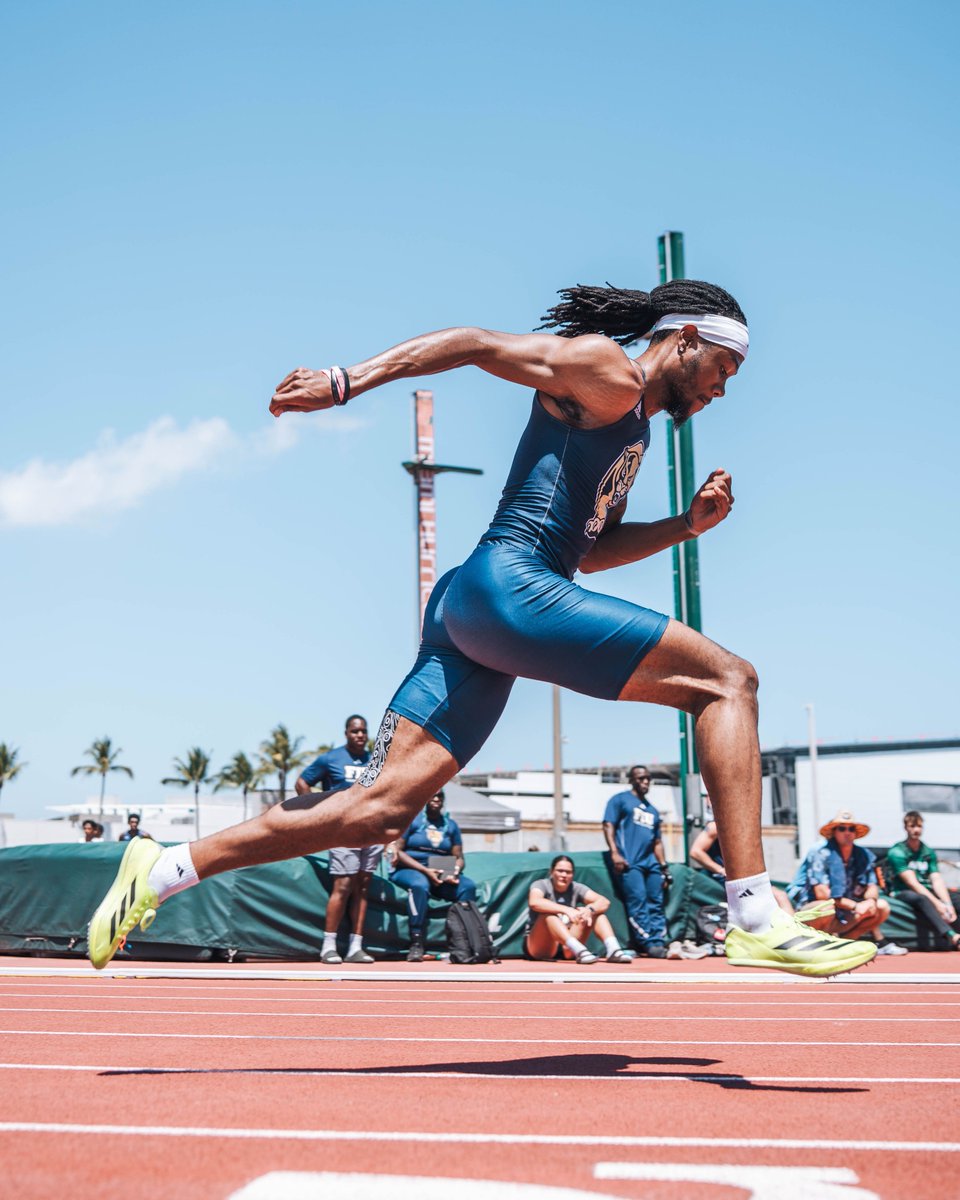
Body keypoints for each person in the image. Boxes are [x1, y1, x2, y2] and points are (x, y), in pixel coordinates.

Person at [88, 279, 876, 978]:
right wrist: (347, 380)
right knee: (728, 680)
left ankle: (163, 869)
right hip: (509, 589)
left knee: (378, 810)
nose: (722, 392)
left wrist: (684, 527)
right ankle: (753, 913)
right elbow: (474, 345)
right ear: (690, 340)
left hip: (477, 603)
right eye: (725, 371)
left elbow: (590, 555)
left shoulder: (628, 426)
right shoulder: (607, 369)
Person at [295, 715, 379, 964]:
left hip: (371, 830)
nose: (360, 735)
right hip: (343, 831)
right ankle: (328, 945)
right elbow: (302, 782)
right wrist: (316, 814)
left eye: (363, 731)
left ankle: (356, 946)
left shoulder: (375, 759)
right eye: (355, 731)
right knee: (342, 886)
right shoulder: (331, 758)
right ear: (346, 734)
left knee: (362, 888)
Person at [788, 810, 905, 954]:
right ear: (834, 832)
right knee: (826, 908)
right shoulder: (820, 852)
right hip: (813, 910)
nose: (847, 832)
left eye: (851, 828)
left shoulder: (863, 855)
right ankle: (819, 946)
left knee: (881, 907)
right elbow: (822, 895)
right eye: (842, 828)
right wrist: (856, 905)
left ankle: (842, 945)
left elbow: (872, 887)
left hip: (844, 911)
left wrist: (869, 902)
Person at [390, 790, 476, 962]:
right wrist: (425, 871)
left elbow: (459, 857)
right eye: (432, 795)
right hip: (412, 866)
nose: (436, 799)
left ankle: (464, 942)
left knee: (467, 886)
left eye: (440, 796)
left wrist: (454, 871)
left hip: (441, 868)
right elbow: (397, 851)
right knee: (420, 885)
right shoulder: (413, 819)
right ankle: (416, 942)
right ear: (425, 799)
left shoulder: (450, 825)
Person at [603, 765, 671, 957]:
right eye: (641, 778)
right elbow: (609, 825)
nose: (645, 782)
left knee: (656, 902)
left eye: (648, 778)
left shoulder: (653, 810)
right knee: (638, 901)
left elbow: (657, 841)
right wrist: (614, 853)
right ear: (632, 780)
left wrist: (664, 866)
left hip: (651, 863)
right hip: (630, 862)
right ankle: (648, 942)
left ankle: (659, 940)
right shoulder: (619, 800)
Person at [525, 854, 631, 963]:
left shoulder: (577, 888)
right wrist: (566, 910)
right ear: (551, 872)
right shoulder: (540, 885)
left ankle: (613, 950)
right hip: (541, 945)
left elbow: (604, 902)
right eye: (560, 871)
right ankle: (580, 951)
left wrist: (589, 910)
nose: (564, 875)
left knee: (597, 913)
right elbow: (534, 902)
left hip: (568, 948)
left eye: (568, 872)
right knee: (548, 916)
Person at [885, 811, 960, 950]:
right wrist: (938, 904)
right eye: (912, 826)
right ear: (906, 827)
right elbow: (912, 883)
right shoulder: (897, 852)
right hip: (902, 891)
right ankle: (951, 936)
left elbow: (936, 879)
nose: (916, 830)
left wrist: (947, 903)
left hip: (926, 889)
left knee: (956, 899)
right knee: (922, 899)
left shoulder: (927, 851)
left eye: (919, 826)